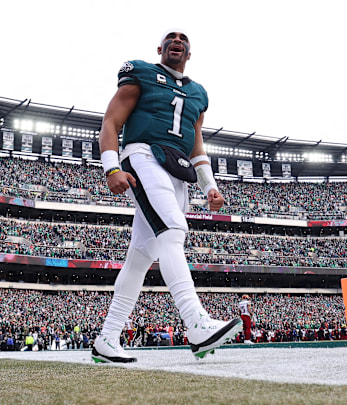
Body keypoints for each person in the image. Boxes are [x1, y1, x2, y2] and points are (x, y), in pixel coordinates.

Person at [92, 28, 242, 363]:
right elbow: (111, 120)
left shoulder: (199, 94)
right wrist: (111, 167)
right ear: (160, 47)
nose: (178, 40)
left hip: (177, 170)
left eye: (184, 39)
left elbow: (196, 144)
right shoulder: (141, 72)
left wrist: (209, 185)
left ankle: (107, 337)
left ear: (189, 53)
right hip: (143, 155)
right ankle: (196, 322)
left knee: (141, 256)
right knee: (173, 231)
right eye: (171, 37)